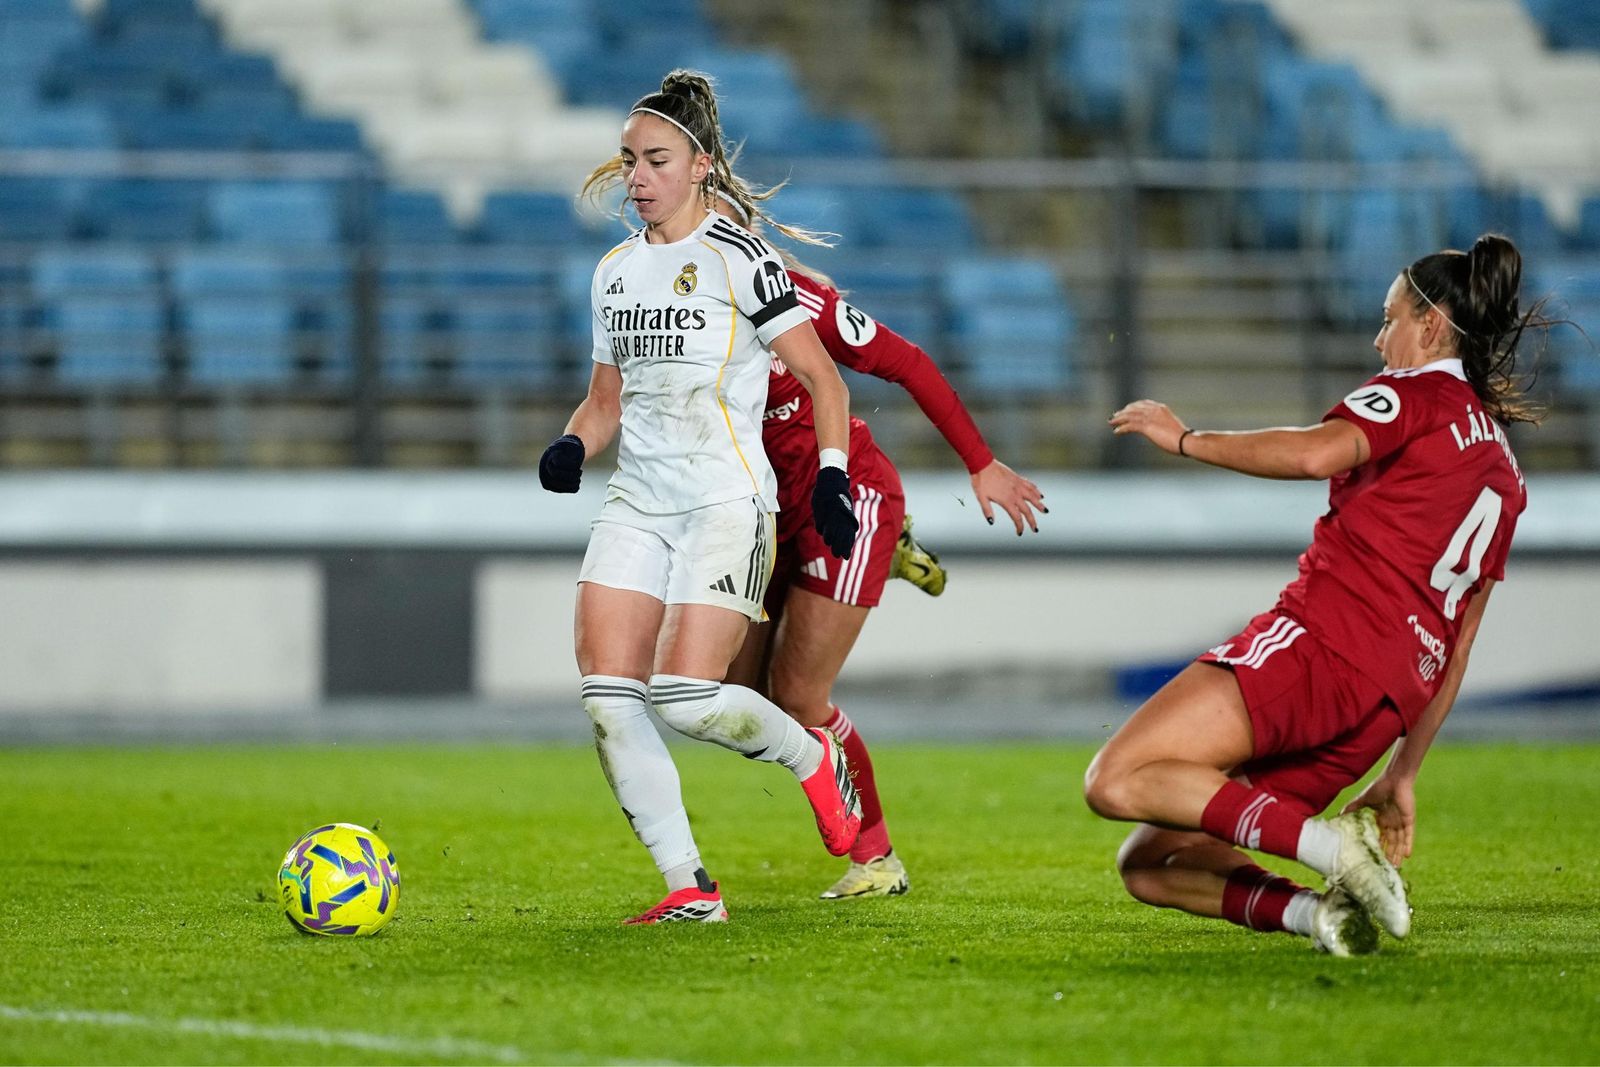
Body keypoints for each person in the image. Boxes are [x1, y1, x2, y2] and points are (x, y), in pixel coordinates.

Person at [1087, 233, 1545, 955]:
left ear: (1431, 326)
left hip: (1323, 650)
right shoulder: (1505, 474)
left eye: (1389, 319)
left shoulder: (1417, 393)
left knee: (1115, 778)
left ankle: (1332, 849)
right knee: (1150, 864)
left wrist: (1185, 439)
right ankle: (1321, 915)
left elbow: (1314, 453)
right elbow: (1459, 646)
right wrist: (1402, 772)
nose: (1379, 339)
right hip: (1379, 712)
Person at [540, 70, 865, 925]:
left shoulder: (741, 258)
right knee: (608, 697)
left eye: (656, 160)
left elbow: (824, 380)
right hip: (638, 501)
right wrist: (573, 443)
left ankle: (811, 758)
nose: (638, 177)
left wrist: (833, 474)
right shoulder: (614, 272)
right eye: (629, 160)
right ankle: (690, 886)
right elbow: (604, 400)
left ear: (700, 166)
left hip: (725, 502)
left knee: (684, 698)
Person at [711, 193, 1047, 899]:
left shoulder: (798, 301)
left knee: (800, 696)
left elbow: (909, 362)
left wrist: (981, 462)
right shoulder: (674, 315)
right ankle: (891, 557)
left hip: (845, 502)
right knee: (732, 700)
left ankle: (877, 859)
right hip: (763, 516)